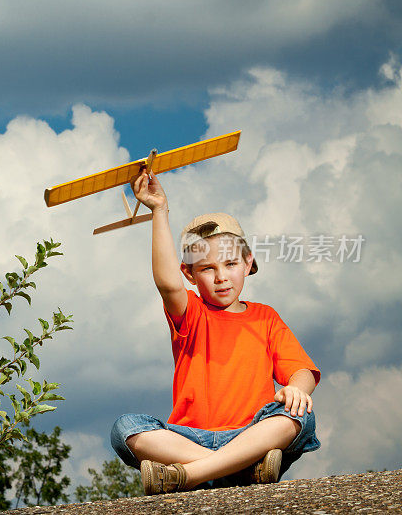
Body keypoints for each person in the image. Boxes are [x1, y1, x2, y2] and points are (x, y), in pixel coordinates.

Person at [110, 166, 321, 495]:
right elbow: (167, 284)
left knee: (299, 417)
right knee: (126, 429)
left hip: (252, 433)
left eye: (231, 264)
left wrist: (297, 388)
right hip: (190, 437)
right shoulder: (191, 313)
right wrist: (159, 210)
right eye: (207, 268)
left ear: (248, 262)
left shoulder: (265, 318)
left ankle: (191, 475)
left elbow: (302, 371)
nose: (221, 277)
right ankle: (237, 468)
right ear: (190, 273)